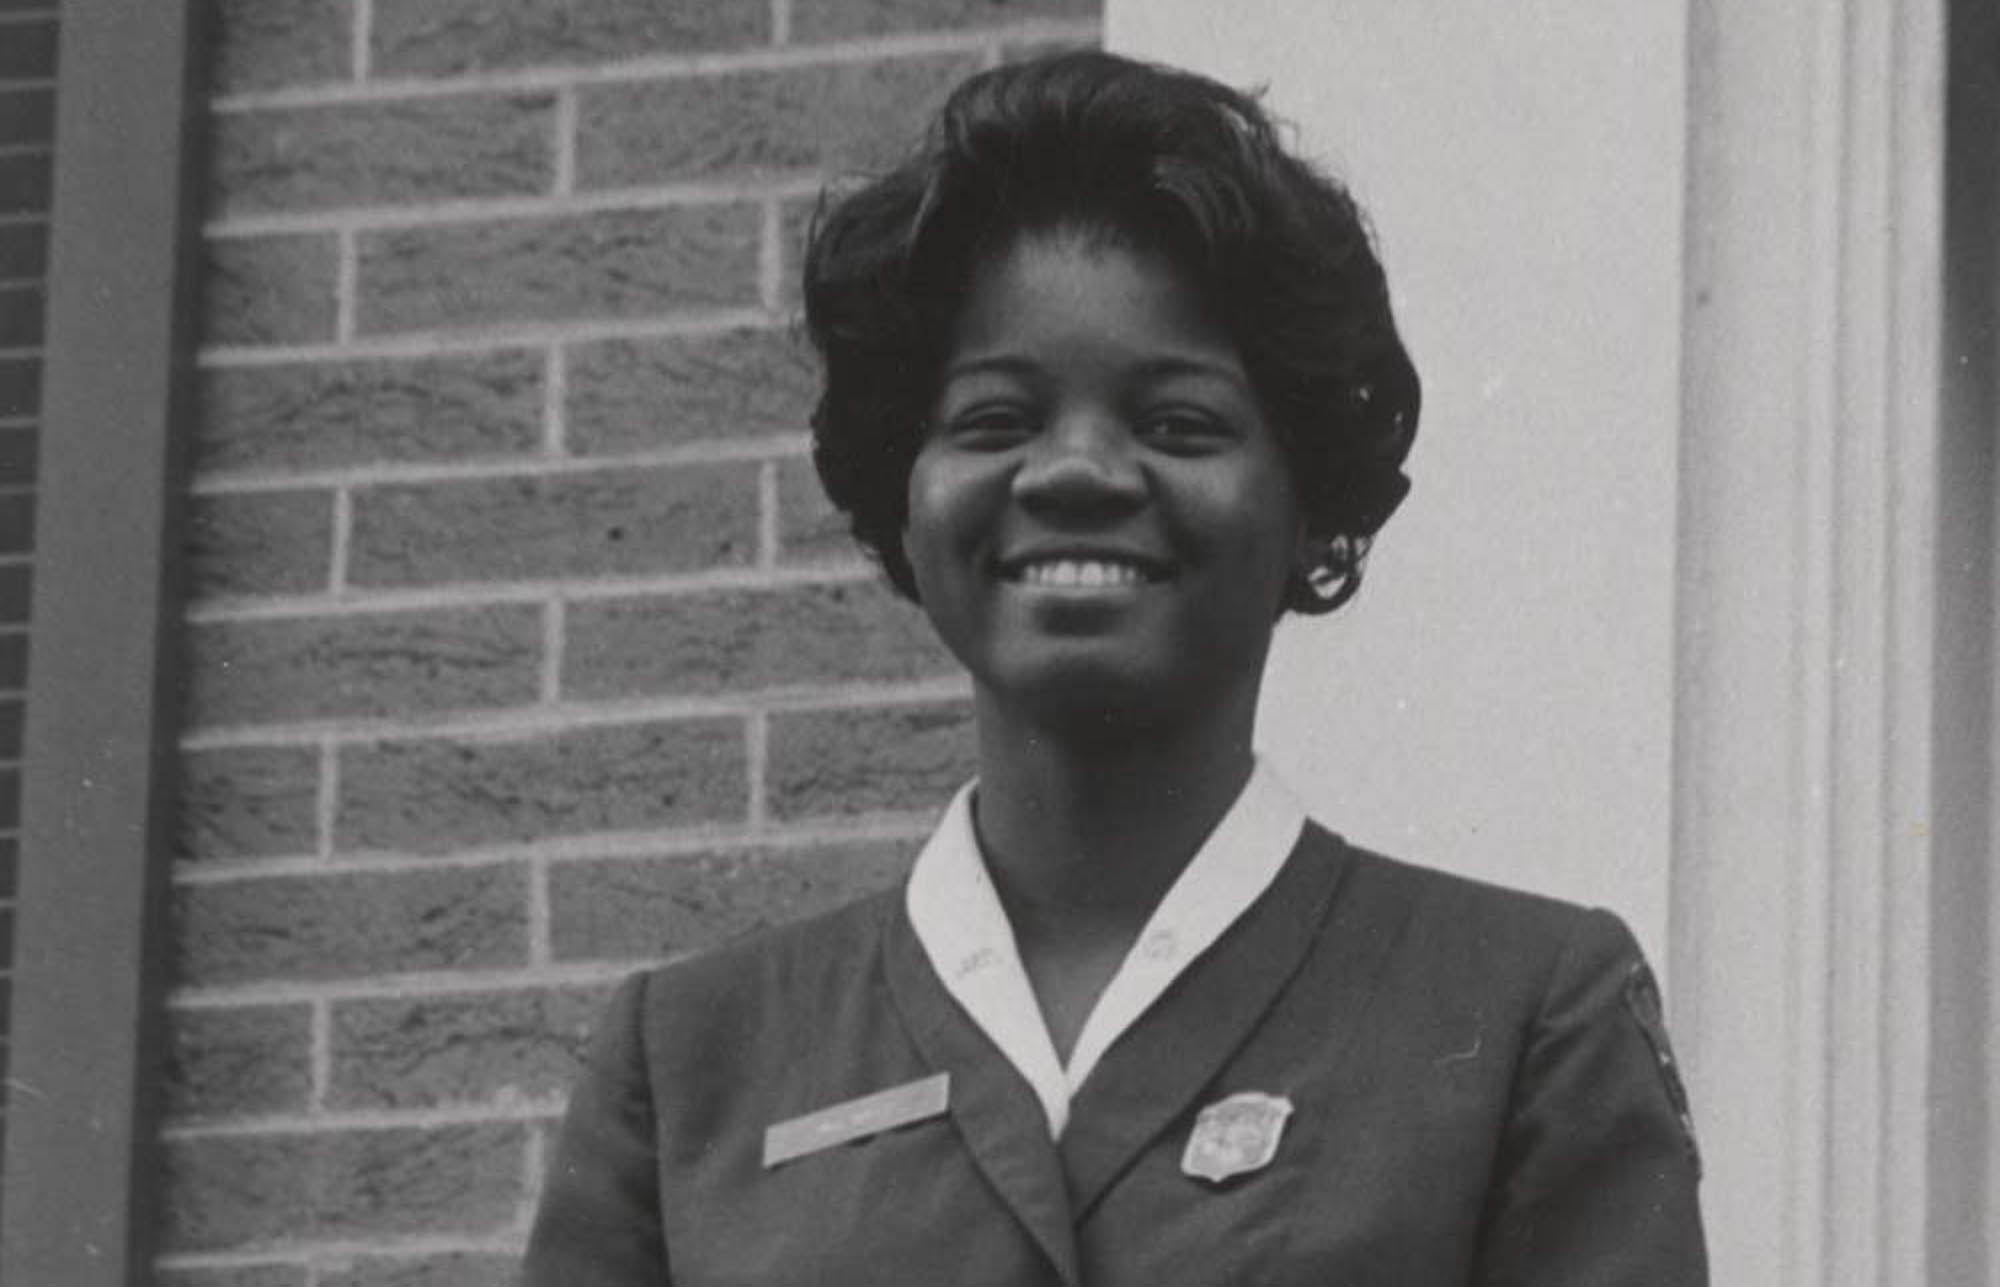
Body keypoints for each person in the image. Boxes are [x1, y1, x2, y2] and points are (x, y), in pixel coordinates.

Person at [521, 50, 1706, 1286]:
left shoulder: (1523, 1013)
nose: (1076, 472)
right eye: (993, 420)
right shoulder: (691, 1062)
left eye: (1178, 423)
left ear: (1306, 505)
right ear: (907, 502)